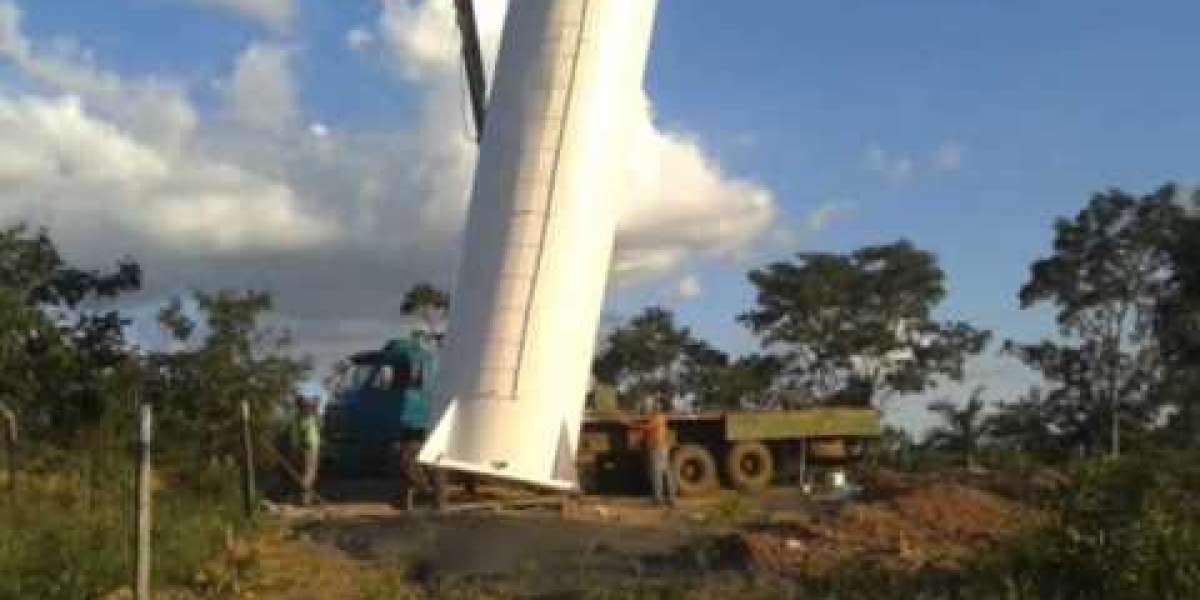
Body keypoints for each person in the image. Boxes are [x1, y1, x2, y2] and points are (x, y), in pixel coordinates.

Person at [635, 396, 677, 507]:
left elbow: (648, 427)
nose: (654, 405)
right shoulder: (660, 417)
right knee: (665, 472)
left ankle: (658, 500)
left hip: (657, 447)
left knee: (657, 473)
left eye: (656, 404)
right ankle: (670, 499)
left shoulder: (658, 417)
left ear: (660, 406)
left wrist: (633, 425)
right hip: (661, 447)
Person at [290, 390, 322, 506]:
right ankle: (304, 498)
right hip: (309, 447)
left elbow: (294, 436)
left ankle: (305, 498)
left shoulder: (301, 418)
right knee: (309, 473)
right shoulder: (306, 418)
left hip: (306, 447)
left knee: (306, 472)